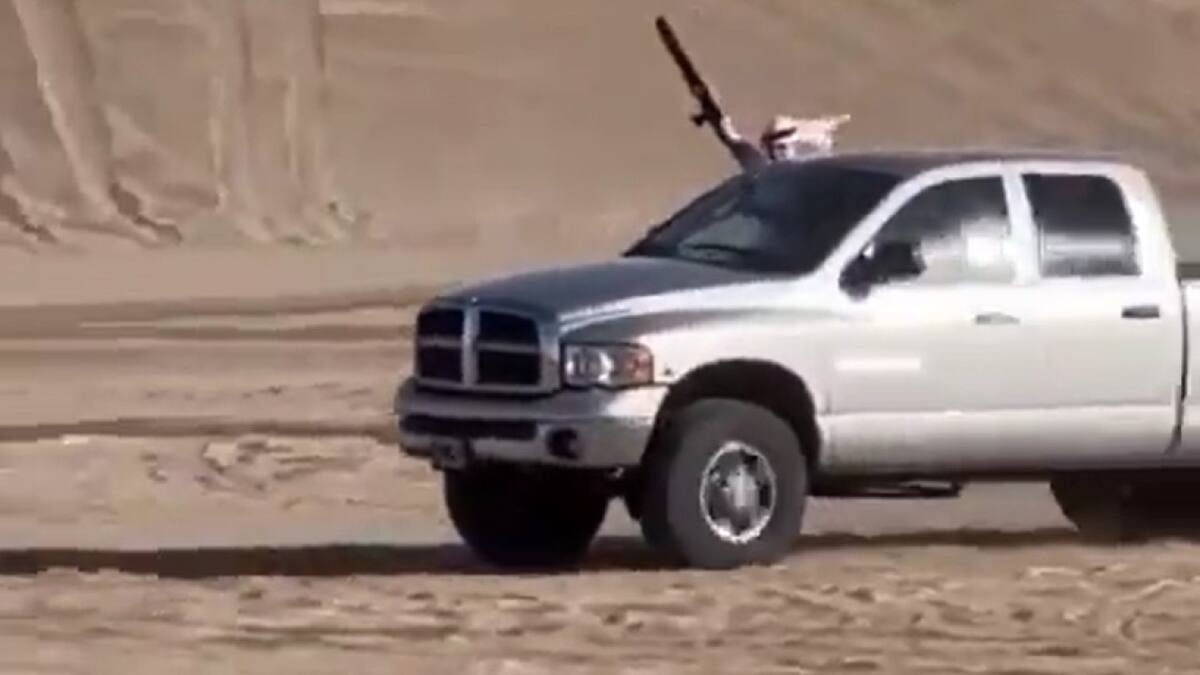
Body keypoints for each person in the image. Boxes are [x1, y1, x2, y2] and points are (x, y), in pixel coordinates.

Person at [712, 112, 852, 172]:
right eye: (773, 146)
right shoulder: (761, 165)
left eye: (782, 147)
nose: (777, 152)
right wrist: (727, 131)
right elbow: (738, 145)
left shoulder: (810, 165)